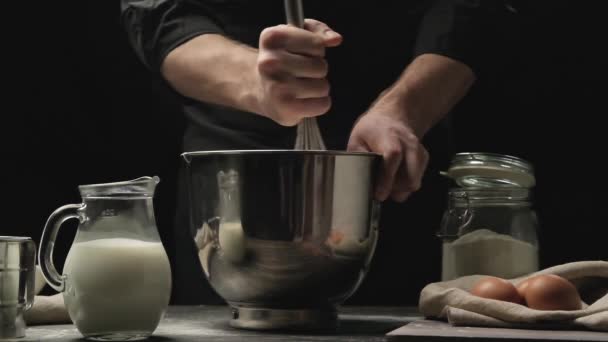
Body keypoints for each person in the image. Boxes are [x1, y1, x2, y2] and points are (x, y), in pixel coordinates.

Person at [120, 0, 521, 304]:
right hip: (235, 194)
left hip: (394, 172)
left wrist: (402, 110)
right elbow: (161, 15)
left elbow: (471, 11)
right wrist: (256, 80)